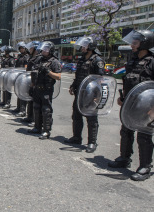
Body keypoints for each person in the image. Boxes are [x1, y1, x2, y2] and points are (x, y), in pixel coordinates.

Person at [108, 30, 154, 181]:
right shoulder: (132, 60)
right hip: (130, 104)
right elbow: (128, 82)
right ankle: (124, 158)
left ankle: (145, 167)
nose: (132, 45)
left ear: (145, 44)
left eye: (135, 43)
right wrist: (123, 98)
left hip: (147, 107)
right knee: (126, 131)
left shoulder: (152, 61)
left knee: (144, 136)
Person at [64, 36, 105, 153]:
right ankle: (76, 137)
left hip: (91, 95)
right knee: (76, 116)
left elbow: (100, 80)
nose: (82, 48)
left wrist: (97, 96)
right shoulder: (81, 59)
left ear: (91, 47)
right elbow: (79, 76)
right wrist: (73, 85)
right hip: (79, 93)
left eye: (84, 45)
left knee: (91, 119)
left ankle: (92, 142)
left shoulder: (97, 60)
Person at [28, 41, 61, 139]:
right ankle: (37, 127)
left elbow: (58, 76)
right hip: (37, 88)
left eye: (46, 49)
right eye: (43, 48)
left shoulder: (54, 61)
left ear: (50, 50)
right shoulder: (39, 59)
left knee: (46, 110)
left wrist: (48, 71)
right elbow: (33, 73)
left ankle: (46, 131)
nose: (43, 51)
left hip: (47, 89)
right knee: (36, 108)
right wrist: (32, 86)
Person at [14, 42, 29, 116]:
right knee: (18, 93)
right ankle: (18, 108)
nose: (21, 50)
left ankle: (23, 111)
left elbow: (26, 67)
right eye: (20, 48)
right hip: (18, 76)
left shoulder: (27, 56)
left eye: (22, 48)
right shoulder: (19, 56)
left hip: (24, 77)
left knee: (23, 93)